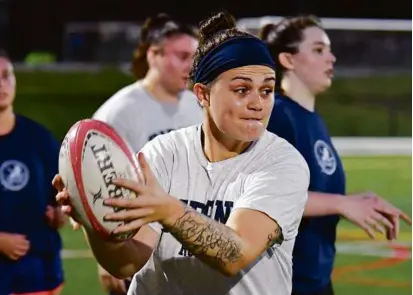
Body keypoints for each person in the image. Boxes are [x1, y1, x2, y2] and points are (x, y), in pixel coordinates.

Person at [54, 11, 310, 295]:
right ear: (202, 94)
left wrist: (167, 210)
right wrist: (94, 221)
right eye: (241, 89)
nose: (258, 104)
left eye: (267, 90)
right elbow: (126, 263)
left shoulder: (282, 163)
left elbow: (235, 254)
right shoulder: (162, 153)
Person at [259, 15, 412, 295]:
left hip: (317, 281)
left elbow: (314, 194)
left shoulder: (313, 120)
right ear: (288, 60)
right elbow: (265, 199)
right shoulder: (279, 115)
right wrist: (341, 203)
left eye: (328, 49)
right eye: (319, 50)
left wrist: (358, 200)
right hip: (286, 285)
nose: (331, 58)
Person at [91, 13, 202, 295]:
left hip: (191, 246)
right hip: (140, 249)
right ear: (154, 55)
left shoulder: (197, 106)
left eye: (194, 57)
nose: (191, 66)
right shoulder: (119, 112)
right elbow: (93, 188)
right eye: (182, 56)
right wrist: (105, 258)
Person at [0, 50, 65, 295]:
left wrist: (59, 214)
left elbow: (60, 194)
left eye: (7, 75)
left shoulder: (38, 138)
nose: (1, 84)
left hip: (38, 273)